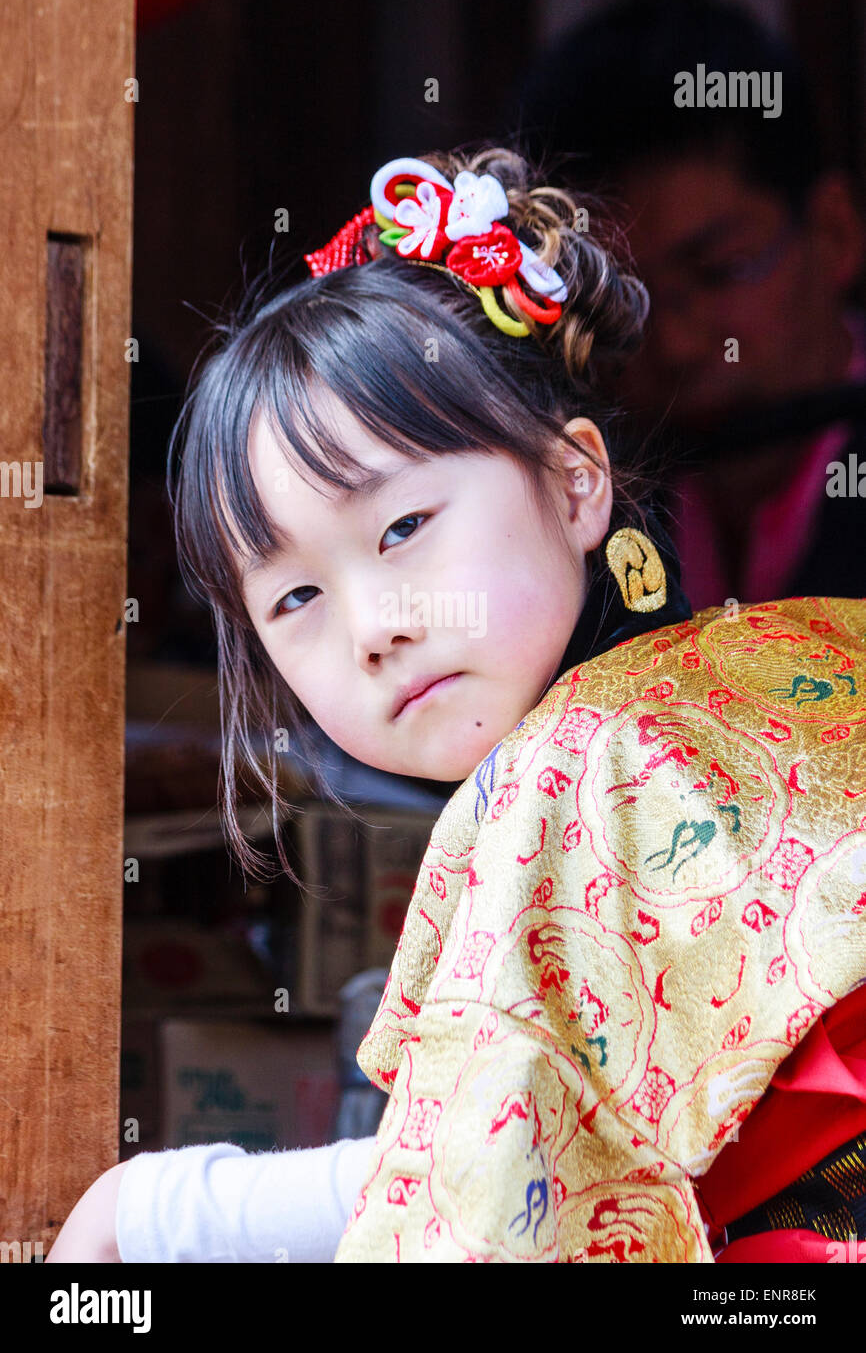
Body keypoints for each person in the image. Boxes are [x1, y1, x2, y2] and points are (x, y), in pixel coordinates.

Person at [46, 143, 866, 1263]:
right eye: (293, 596)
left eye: (400, 529)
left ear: (576, 480)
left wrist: (162, 1216)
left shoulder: (583, 764)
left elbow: (495, 1225)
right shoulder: (793, 649)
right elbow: (520, 1162)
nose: (371, 623)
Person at [514, 0, 866, 612]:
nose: (674, 345)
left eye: (719, 270)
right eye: (623, 302)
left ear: (835, 234)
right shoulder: (601, 516)